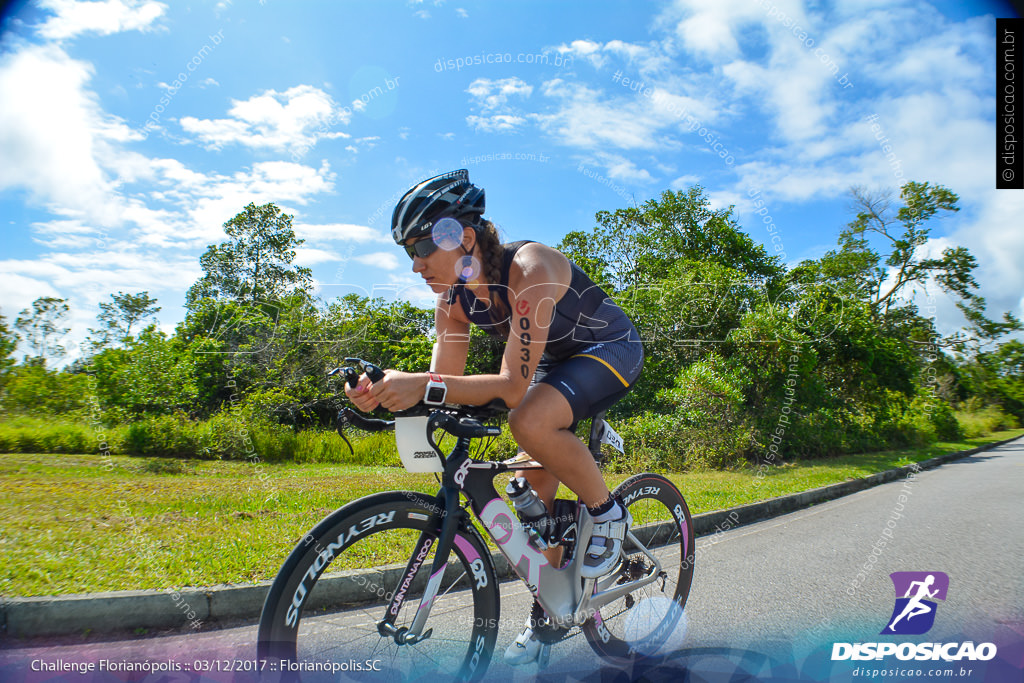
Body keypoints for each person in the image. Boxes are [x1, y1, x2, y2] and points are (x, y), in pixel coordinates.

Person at [344, 169, 644, 665]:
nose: (415, 264)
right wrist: (383, 392)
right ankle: (550, 614)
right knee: (532, 500)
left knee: (527, 421)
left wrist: (421, 383)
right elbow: (444, 386)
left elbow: (510, 387)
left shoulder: (530, 268)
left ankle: (606, 513)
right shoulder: (451, 302)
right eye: (407, 253)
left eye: (420, 248)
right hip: (554, 362)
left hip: (608, 346)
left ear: (461, 237)